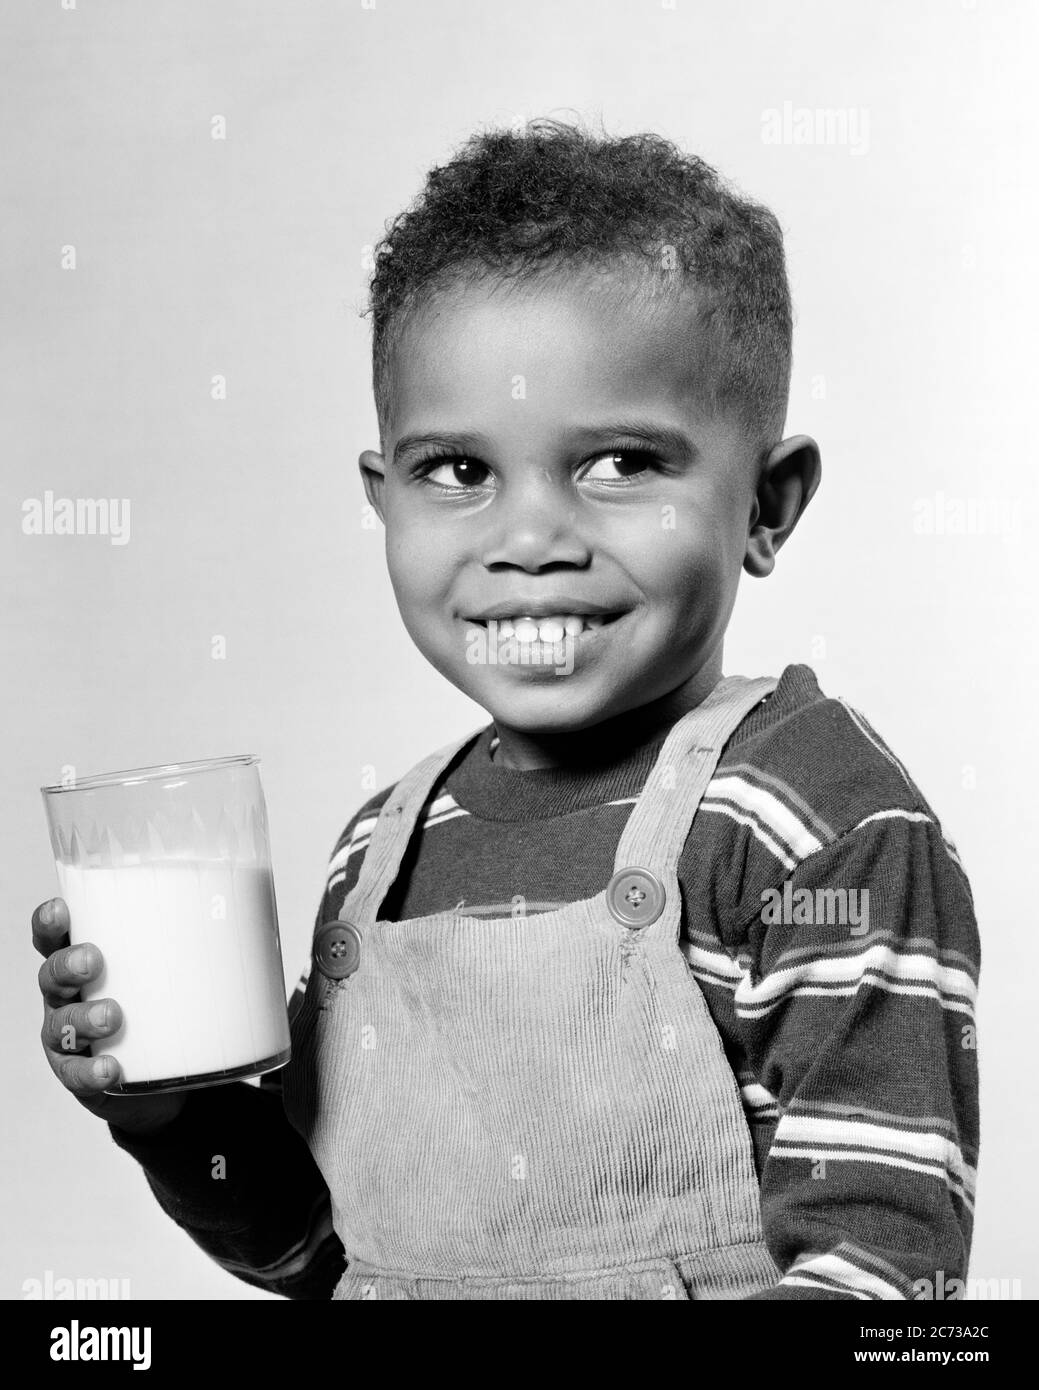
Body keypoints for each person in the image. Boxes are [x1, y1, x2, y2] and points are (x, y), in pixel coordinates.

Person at [33, 119, 980, 1300]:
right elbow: (324, 1254)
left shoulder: (812, 822)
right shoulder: (381, 854)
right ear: (385, 502)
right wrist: (173, 1114)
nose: (529, 540)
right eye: (459, 471)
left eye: (622, 462)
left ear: (766, 505)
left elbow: (885, 1278)